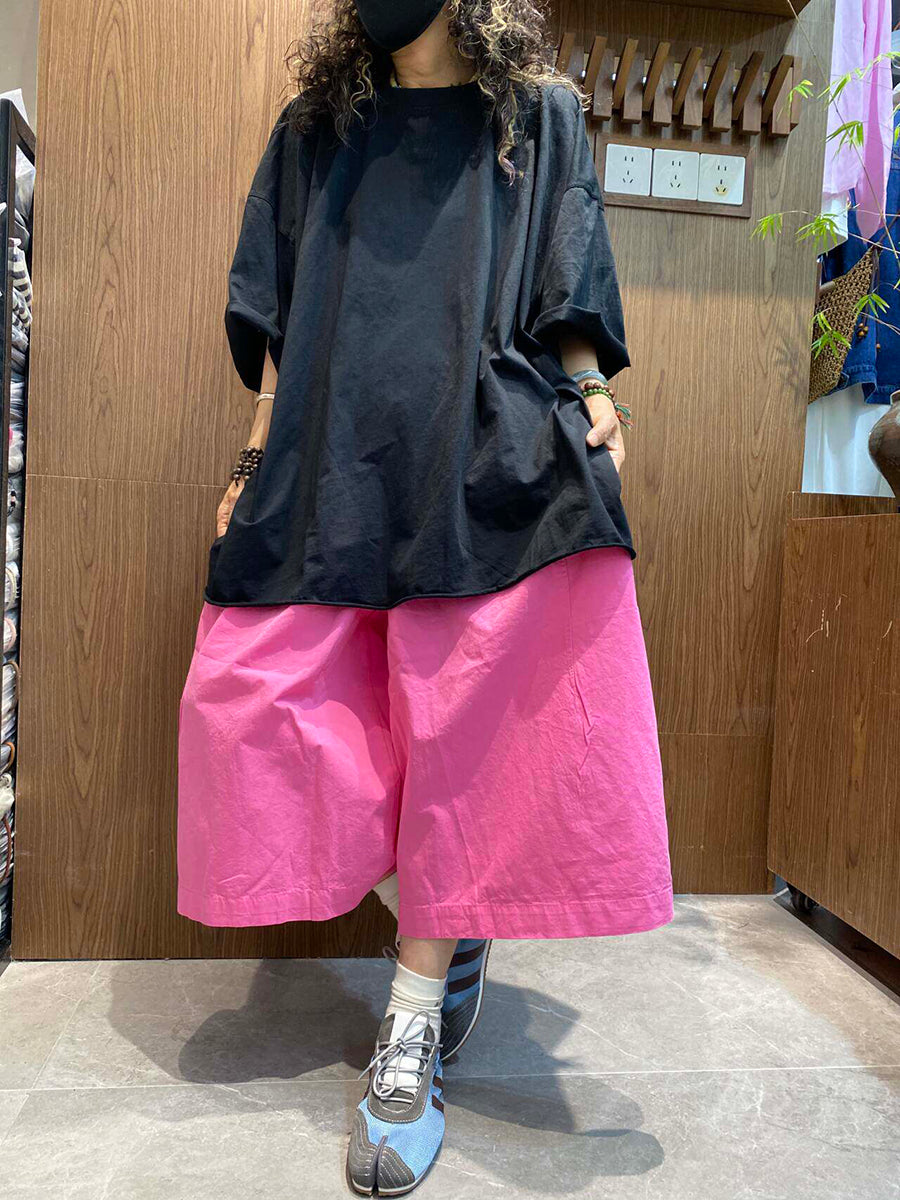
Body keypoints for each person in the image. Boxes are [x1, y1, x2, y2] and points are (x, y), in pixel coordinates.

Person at [176, 0, 674, 1193]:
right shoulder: (315, 127)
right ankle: (451, 908)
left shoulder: (534, 114)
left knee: (466, 739)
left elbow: (567, 273)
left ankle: (408, 1027)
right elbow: (275, 307)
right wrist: (252, 458)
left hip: (482, 444)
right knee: (255, 712)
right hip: (330, 449)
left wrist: (596, 395)